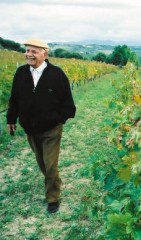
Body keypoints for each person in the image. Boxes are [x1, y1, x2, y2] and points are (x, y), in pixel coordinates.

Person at [6, 39, 76, 213]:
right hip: (30, 129)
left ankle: (53, 198)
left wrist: (58, 120)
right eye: (27, 50)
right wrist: (11, 119)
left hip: (51, 129)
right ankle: (54, 183)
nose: (29, 54)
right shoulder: (21, 73)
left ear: (45, 54)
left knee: (50, 164)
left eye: (34, 51)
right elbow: (14, 99)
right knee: (42, 163)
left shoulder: (57, 74)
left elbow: (68, 103)